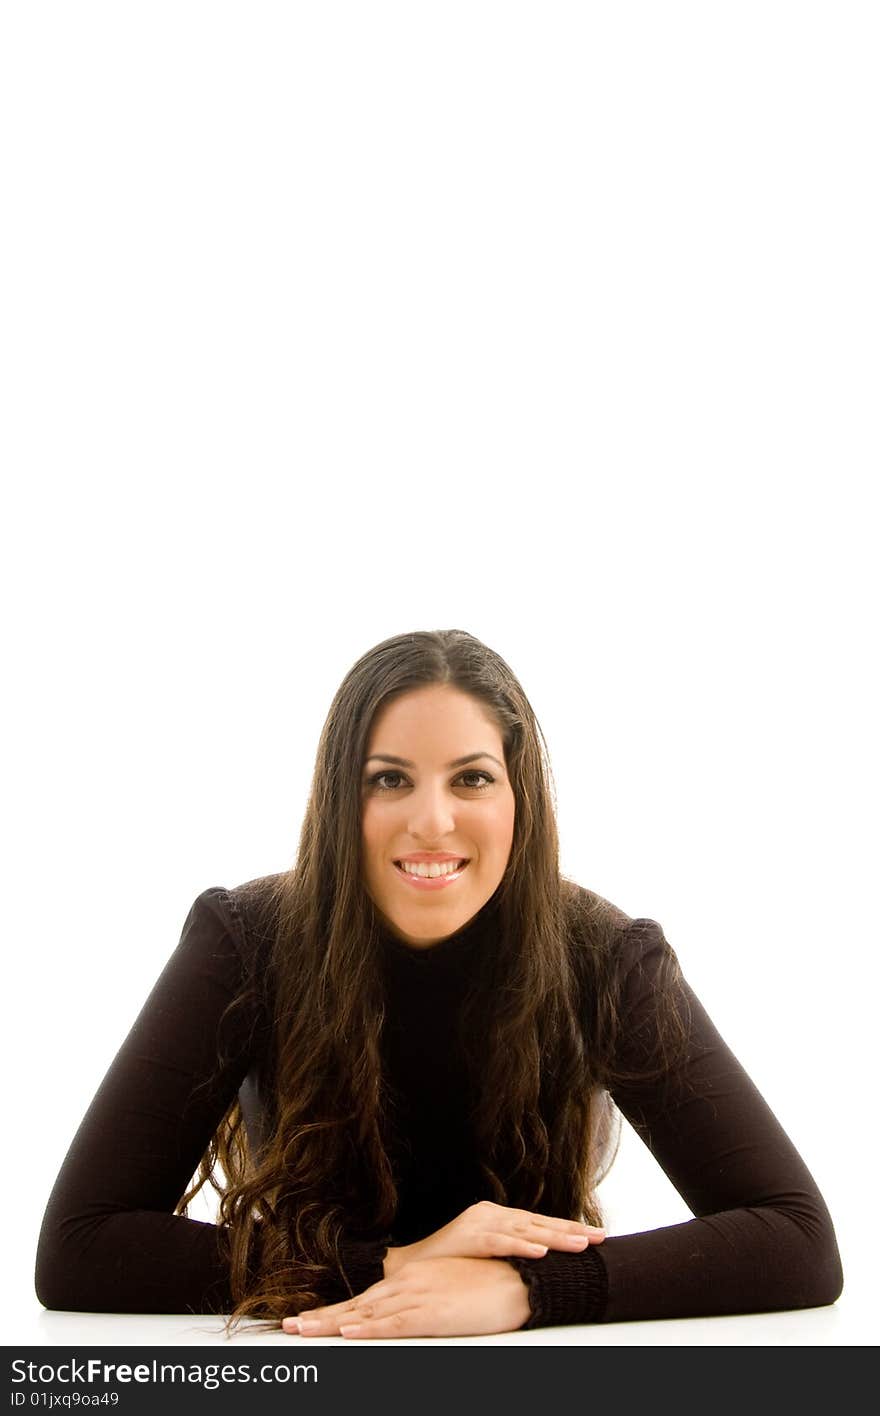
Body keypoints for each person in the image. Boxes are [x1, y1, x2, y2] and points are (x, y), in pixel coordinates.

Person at [34, 629, 844, 1338]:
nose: (431, 821)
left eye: (472, 779)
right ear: (338, 796)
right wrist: (392, 1267)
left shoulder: (604, 955)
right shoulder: (244, 941)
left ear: (519, 795)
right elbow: (79, 1247)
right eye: (389, 779)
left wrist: (526, 1292)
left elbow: (799, 1240)